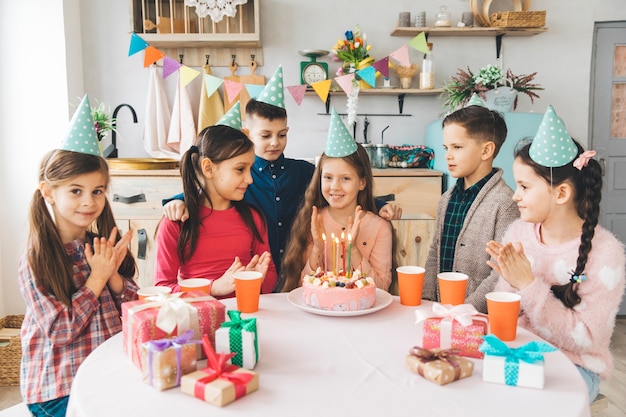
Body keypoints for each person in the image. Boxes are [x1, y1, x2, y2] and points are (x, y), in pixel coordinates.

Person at [162, 66, 402, 287]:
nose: (275, 143)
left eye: (282, 134)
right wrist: (177, 200)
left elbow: (338, 188)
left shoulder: (303, 172)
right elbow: (209, 190)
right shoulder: (239, 178)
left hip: (293, 272)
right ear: (248, 134)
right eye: (266, 135)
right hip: (254, 275)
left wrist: (380, 205)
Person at [486, 105, 625, 403]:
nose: (515, 195)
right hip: (518, 351)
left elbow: (586, 339)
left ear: (561, 194)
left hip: (575, 366)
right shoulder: (518, 233)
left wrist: (528, 285)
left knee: (532, 404)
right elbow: (510, 320)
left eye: (524, 186)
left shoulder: (606, 254)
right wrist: (507, 287)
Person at [18, 95, 139, 417]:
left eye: (97, 191)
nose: (89, 201)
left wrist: (113, 274)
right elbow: (60, 332)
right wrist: (96, 278)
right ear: (48, 193)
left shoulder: (101, 245)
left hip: (109, 374)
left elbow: (134, 310)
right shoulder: (36, 259)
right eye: (76, 190)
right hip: (58, 389)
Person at [154, 123, 277, 297]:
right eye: (240, 169)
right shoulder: (176, 222)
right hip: (197, 320)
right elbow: (162, 287)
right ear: (208, 168)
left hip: (246, 318)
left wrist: (258, 280)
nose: (249, 179)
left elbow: (271, 272)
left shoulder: (254, 217)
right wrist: (212, 288)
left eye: (250, 169)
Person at [422, 98, 519, 313]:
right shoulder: (446, 199)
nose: (448, 155)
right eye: (446, 147)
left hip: (476, 316)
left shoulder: (505, 203)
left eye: (457, 147)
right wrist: (427, 300)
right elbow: (434, 252)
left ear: (486, 151)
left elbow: (500, 270)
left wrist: (467, 310)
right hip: (440, 310)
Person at [281, 108, 393, 292]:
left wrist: (354, 250)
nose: (335, 187)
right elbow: (303, 287)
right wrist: (317, 247)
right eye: (328, 178)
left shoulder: (380, 228)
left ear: (362, 182)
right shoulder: (314, 222)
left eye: (345, 178)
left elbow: (381, 289)